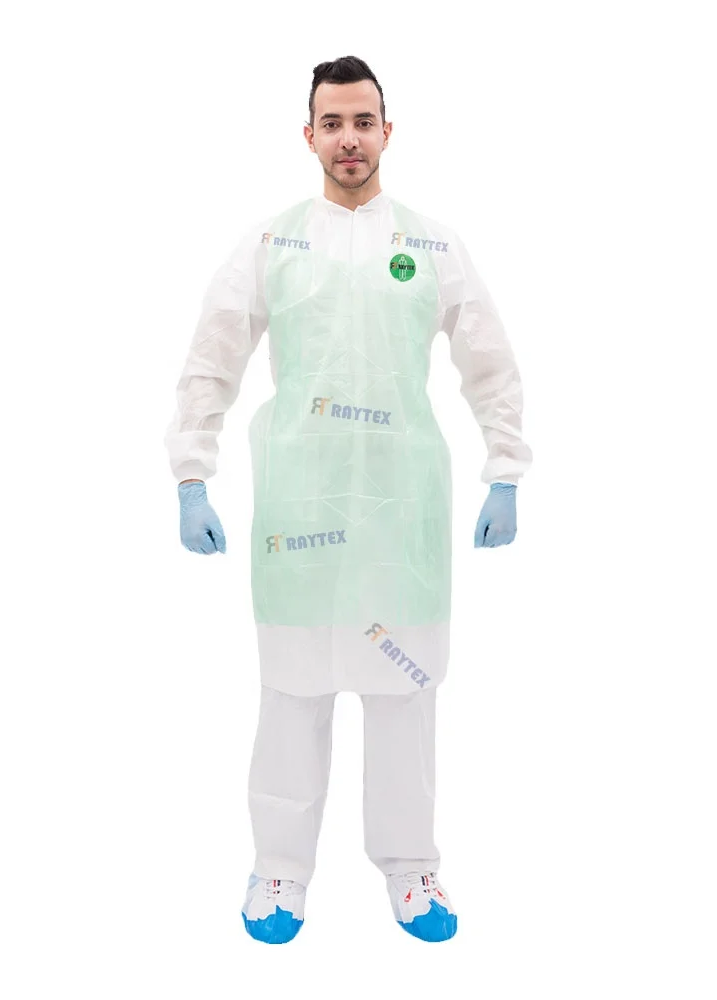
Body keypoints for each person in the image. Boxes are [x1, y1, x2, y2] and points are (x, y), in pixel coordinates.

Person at [163, 56, 532, 944]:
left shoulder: (432, 246)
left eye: (364, 121)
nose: (349, 139)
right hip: (301, 514)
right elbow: (215, 353)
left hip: (403, 515)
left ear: (387, 131)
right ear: (309, 135)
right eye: (332, 123)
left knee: (406, 693)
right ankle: (279, 871)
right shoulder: (274, 245)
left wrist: (506, 467)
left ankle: (410, 869)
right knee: (293, 694)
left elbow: (487, 356)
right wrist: (191, 473)